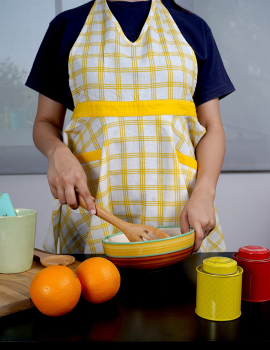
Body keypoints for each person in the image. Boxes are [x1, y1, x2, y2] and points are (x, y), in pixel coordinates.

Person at [26, 0, 235, 254]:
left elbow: (212, 127)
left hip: (180, 214)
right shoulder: (66, 27)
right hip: (94, 213)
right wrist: (56, 153)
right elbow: (45, 122)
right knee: (88, 289)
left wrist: (206, 191)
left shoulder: (194, 29)